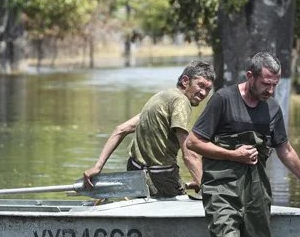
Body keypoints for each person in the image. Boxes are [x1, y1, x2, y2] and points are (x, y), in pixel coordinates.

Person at [185, 52, 300, 237]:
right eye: (265, 84)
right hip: (221, 187)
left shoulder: (271, 108)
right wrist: (233, 155)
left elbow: (286, 150)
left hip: (256, 189)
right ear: (250, 77)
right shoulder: (223, 99)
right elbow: (193, 142)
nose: (270, 90)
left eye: (274, 85)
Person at [83, 59, 215, 197]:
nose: (203, 93)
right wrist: (206, 188)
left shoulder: (160, 97)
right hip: (161, 177)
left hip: (135, 173)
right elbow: (190, 155)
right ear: (185, 81)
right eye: (200, 85)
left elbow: (121, 129)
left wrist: (98, 166)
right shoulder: (181, 102)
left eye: (208, 89)